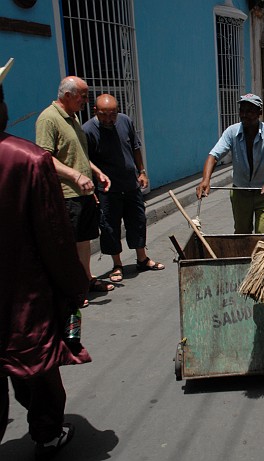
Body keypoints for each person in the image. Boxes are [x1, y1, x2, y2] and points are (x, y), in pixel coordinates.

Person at [0, 58, 92, 459]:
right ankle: (47, 432)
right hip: (24, 296)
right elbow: (55, 238)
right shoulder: (25, 159)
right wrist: (74, 288)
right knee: (37, 370)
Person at [35, 76, 114, 305]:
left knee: (83, 241)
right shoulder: (48, 119)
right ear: (67, 95)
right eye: (83, 95)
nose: (86, 100)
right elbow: (45, 158)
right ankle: (71, 289)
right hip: (66, 194)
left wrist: (96, 172)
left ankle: (86, 280)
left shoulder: (73, 117)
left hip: (84, 193)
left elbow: (77, 153)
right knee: (68, 243)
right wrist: (75, 175)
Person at [82, 94, 165, 283]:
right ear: (95, 111)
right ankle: (117, 265)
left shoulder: (125, 121)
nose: (110, 119)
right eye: (105, 115)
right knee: (109, 227)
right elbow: (85, 161)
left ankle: (142, 258)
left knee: (137, 221)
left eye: (114, 114)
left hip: (130, 184)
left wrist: (142, 172)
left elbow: (135, 147)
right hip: (107, 189)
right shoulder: (87, 130)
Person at [196, 93, 264, 234]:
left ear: (259, 113)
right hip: (240, 192)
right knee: (242, 233)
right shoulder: (232, 132)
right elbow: (213, 155)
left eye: (249, 111)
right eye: (242, 110)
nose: (244, 115)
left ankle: (261, 255)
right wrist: (205, 180)